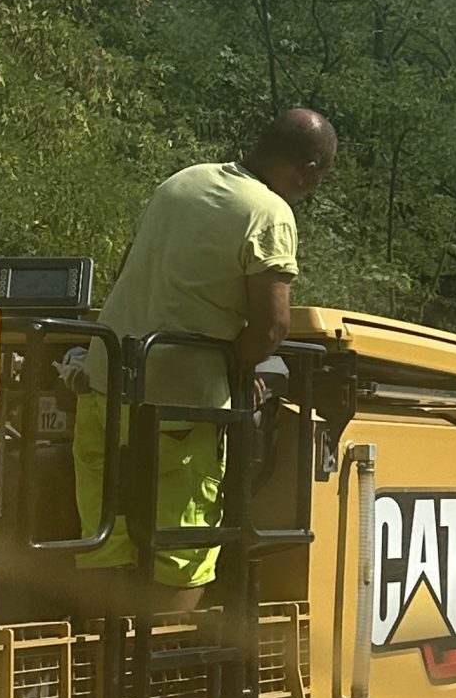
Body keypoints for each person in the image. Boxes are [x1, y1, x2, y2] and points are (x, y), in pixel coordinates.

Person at [72, 107, 337, 615]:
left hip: (103, 383)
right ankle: (152, 686)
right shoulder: (269, 213)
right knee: (183, 552)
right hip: (176, 406)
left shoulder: (181, 181)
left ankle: (99, 673)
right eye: (318, 178)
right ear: (307, 168)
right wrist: (235, 368)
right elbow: (273, 327)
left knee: (105, 541)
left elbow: (146, 275)